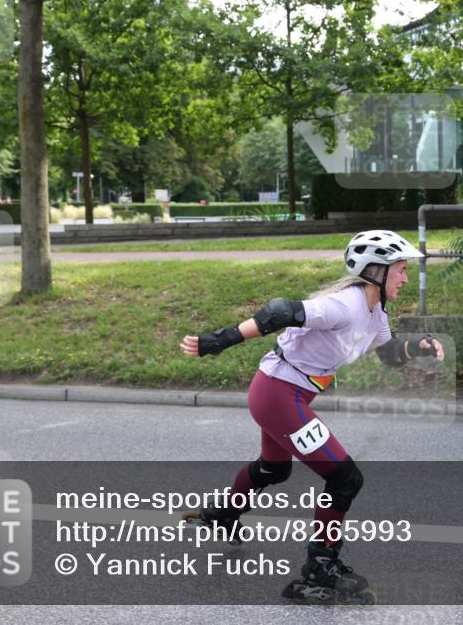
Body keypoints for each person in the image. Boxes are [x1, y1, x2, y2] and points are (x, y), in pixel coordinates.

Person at [180, 230, 444, 603]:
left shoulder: (375, 314)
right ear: (377, 272)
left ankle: (221, 514)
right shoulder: (344, 305)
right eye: (400, 270)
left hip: (287, 392)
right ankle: (319, 570)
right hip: (278, 395)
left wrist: (418, 346)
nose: (404, 277)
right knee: (345, 478)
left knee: (275, 469)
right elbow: (280, 312)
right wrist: (216, 341)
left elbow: (388, 353)